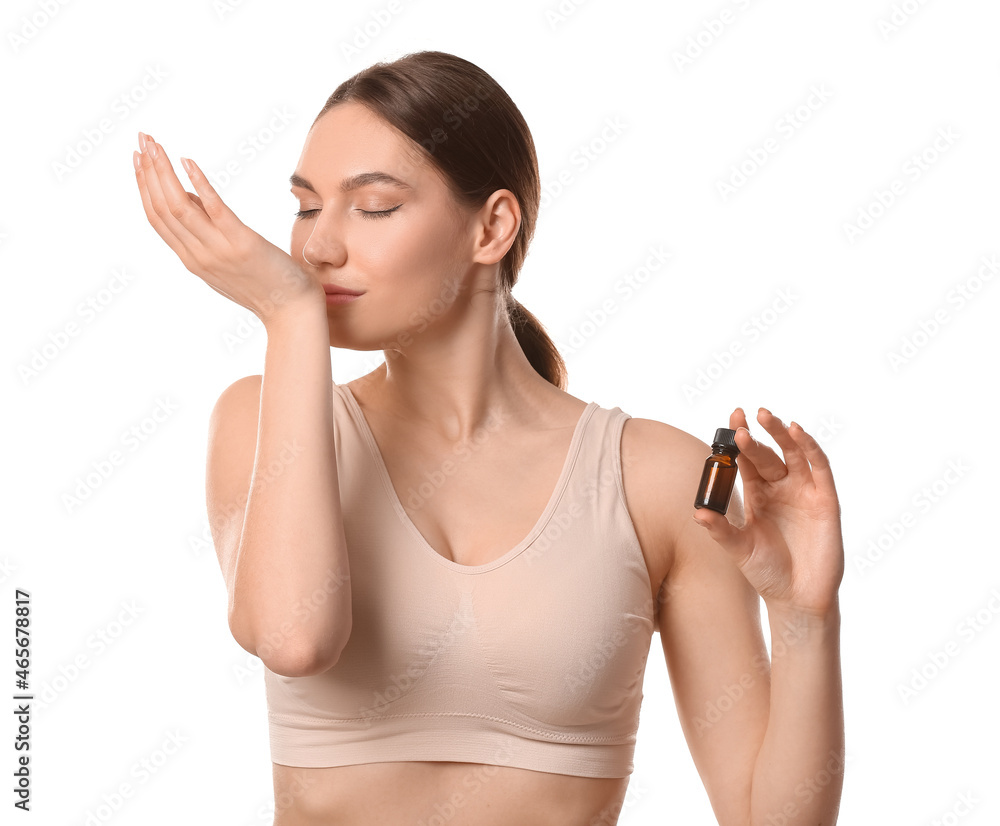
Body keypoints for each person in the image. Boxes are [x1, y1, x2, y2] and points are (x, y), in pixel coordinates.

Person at [133, 50, 845, 826]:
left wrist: (807, 617)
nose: (316, 249)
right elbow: (296, 636)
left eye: (370, 207)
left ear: (492, 226)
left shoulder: (653, 479)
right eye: (306, 208)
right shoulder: (258, 420)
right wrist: (290, 317)